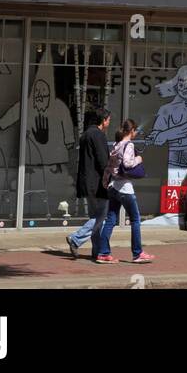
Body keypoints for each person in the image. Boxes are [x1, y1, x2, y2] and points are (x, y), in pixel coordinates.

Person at [95, 119, 154, 265]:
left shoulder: (116, 145)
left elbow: (109, 167)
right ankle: (138, 253)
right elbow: (128, 164)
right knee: (135, 220)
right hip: (124, 188)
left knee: (110, 220)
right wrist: (138, 159)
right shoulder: (129, 145)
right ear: (132, 131)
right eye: (135, 131)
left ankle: (103, 253)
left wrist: (105, 183)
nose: (135, 133)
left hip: (113, 186)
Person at [67, 107, 112, 260]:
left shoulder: (86, 134)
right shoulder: (98, 135)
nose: (109, 123)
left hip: (87, 182)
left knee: (95, 216)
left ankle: (97, 250)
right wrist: (109, 176)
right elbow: (102, 161)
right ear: (103, 120)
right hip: (98, 183)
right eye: (108, 120)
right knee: (101, 217)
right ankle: (76, 238)